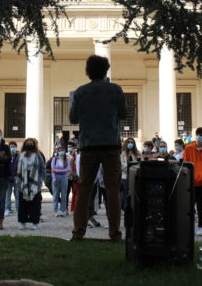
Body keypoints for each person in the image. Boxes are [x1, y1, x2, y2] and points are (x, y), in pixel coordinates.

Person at [69, 55, 127, 242]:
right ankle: (115, 233)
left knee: (84, 189)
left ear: (88, 72)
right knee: (112, 190)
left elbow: (73, 119)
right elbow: (124, 114)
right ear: (106, 70)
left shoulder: (80, 92)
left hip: (89, 145)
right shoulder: (115, 89)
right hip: (110, 145)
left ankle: (78, 231)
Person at [183, 127, 202, 235]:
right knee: (189, 206)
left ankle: (200, 226)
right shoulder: (188, 148)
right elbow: (184, 164)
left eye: (201, 135)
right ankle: (189, 226)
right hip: (191, 182)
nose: (199, 136)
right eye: (198, 134)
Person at [16, 138, 46, 230]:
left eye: (31, 144)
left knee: (35, 203)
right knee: (22, 203)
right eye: (27, 143)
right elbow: (16, 168)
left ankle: (35, 222)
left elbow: (42, 168)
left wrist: (40, 180)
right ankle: (22, 222)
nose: (29, 145)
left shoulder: (38, 155)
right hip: (22, 181)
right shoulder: (20, 155)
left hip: (35, 181)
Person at [120, 137, 140, 210]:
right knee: (125, 193)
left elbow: (138, 163)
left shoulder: (136, 153)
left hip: (133, 177)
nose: (130, 144)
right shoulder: (122, 153)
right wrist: (129, 166)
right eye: (129, 142)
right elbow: (121, 165)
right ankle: (124, 207)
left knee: (132, 193)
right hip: (124, 177)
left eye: (132, 143)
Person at [50, 145, 71, 217]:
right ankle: (55, 211)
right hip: (56, 178)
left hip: (64, 178)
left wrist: (57, 170)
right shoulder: (54, 159)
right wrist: (54, 178)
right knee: (55, 195)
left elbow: (67, 169)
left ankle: (62, 210)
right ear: (57, 151)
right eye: (59, 150)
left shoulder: (66, 160)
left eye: (62, 150)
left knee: (64, 195)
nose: (61, 151)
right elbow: (52, 170)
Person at [5, 140, 18, 216]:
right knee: (8, 195)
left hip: (16, 178)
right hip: (8, 178)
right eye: (11, 147)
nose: (12, 148)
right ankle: (7, 208)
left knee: (17, 195)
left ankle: (18, 208)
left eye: (14, 147)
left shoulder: (19, 156)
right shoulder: (6, 156)